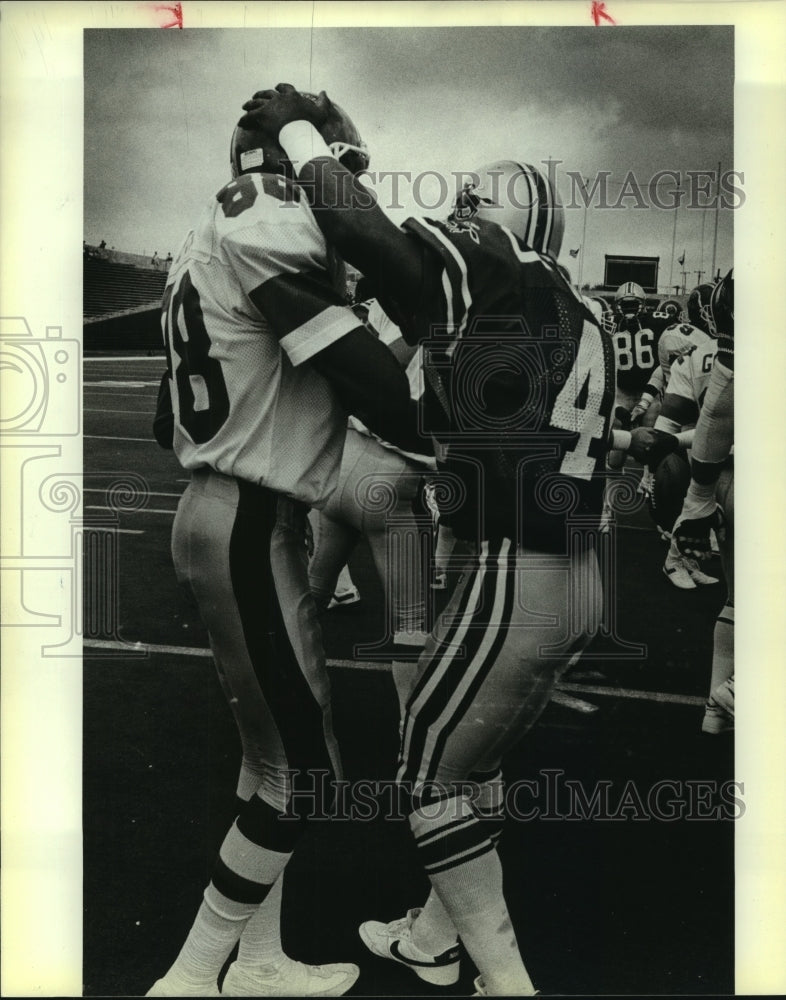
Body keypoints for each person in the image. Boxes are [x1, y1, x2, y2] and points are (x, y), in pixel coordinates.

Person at [240, 83, 663, 996]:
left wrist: (299, 136)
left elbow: (371, 239)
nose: (461, 207)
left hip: (515, 570)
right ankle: (436, 938)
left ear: (505, 222)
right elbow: (438, 414)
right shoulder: (571, 309)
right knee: (469, 766)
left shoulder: (498, 265)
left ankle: (508, 984)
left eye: (477, 199)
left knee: (429, 772)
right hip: (574, 569)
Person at [147, 91, 424, 998]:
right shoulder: (264, 219)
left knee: (271, 759)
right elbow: (386, 381)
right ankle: (189, 978)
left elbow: (164, 419)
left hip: (233, 511)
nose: (345, 192)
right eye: (341, 173)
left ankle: (258, 961)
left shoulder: (202, 244)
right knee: (303, 776)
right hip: (249, 526)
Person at [672, 270, 734, 732]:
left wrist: (697, 497)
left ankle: (717, 710)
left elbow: (718, 407)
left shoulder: (738, 285)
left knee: (739, 601)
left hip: (724, 470)